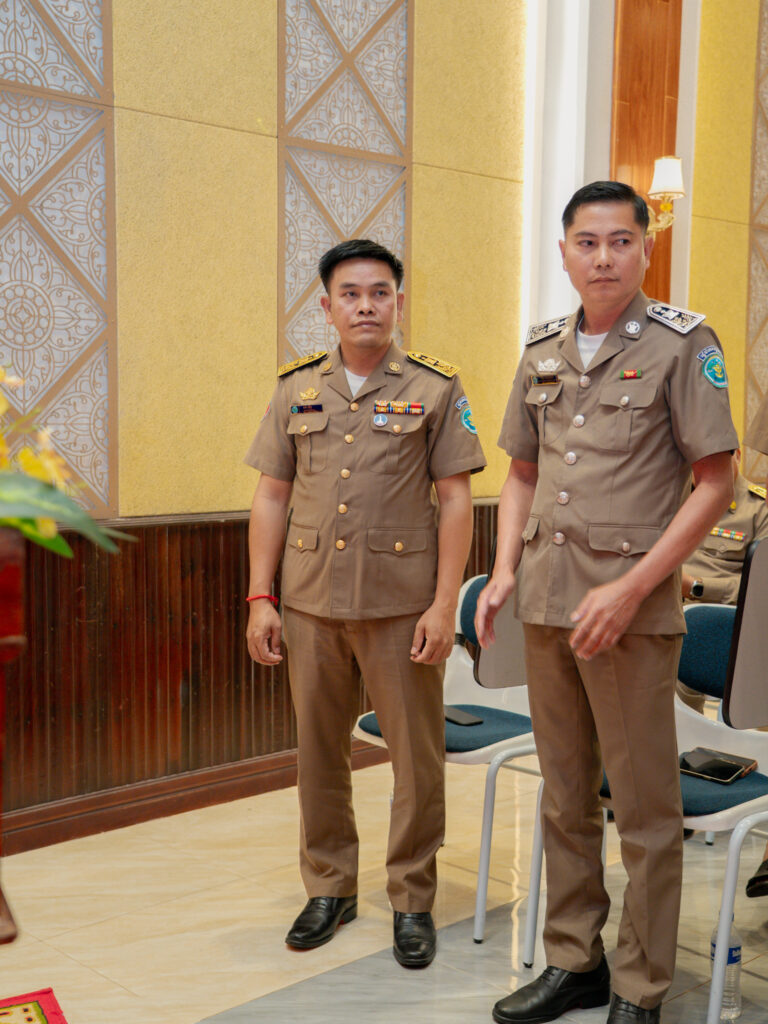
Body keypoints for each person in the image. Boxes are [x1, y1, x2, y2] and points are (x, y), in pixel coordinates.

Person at [475, 181, 737, 1024]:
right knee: (563, 796)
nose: (603, 257)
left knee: (646, 809)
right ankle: (573, 960)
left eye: (621, 241)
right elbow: (521, 472)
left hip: (630, 613)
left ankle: (641, 984)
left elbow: (715, 483)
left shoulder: (682, 344)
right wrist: (504, 570)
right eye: (586, 243)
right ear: (564, 253)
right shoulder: (542, 349)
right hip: (548, 602)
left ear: (645, 250)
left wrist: (632, 586)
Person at [244, 238, 486, 969]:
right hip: (310, 603)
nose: (366, 306)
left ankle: (412, 897)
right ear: (327, 307)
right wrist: (260, 597)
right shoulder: (296, 388)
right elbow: (272, 496)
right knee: (319, 753)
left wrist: (444, 606)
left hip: (400, 607)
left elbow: (455, 500)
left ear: (399, 302)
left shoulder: (435, 388)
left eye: (380, 293)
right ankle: (330, 888)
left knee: (416, 759)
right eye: (350, 294)